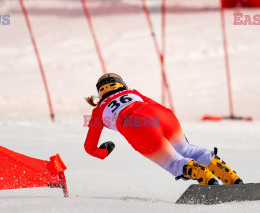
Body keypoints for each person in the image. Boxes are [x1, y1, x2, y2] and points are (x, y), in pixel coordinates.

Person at [84, 73, 243, 185]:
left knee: (174, 161)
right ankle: (230, 176)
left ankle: (204, 176)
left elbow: (89, 147)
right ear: (122, 85)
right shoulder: (132, 92)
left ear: (100, 92)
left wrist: (104, 152)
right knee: (187, 149)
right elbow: (153, 104)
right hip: (163, 116)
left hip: (134, 124)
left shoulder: (98, 111)